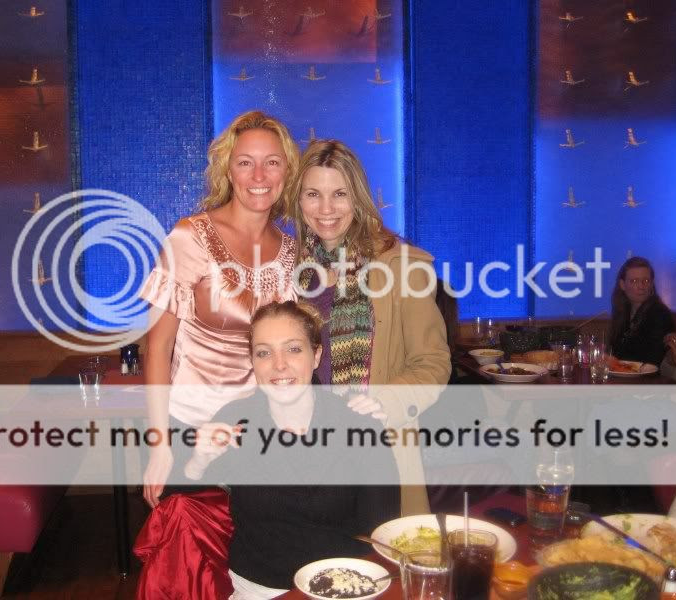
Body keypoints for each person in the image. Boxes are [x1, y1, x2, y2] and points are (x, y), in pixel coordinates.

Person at [140, 111, 300, 509]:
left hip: (256, 430)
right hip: (187, 425)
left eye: (272, 162)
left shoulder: (292, 251)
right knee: (191, 542)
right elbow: (156, 348)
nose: (259, 175)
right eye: (246, 162)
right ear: (228, 170)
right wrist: (160, 445)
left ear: (287, 172)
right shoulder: (190, 236)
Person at [185, 301, 400, 597]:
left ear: (316, 355)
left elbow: (381, 530)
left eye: (294, 349)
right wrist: (197, 462)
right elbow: (176, 502)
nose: (279, 364)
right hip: (258, 589)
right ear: (252, 361)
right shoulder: (235, 420)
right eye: (264, 353)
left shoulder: (358, 423)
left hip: (343, 586)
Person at [289, 139, 451, 515]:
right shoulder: (294, 267)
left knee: (378, 545)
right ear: (299, 200)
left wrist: (385, 401)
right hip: (309, 451)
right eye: (313, 194)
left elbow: (433, 363)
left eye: (339, 194)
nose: (326, 209)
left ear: (358, 198)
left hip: (378, 445)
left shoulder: (399, 265)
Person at [608, 256, 675, 365]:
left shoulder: (660, 315)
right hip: (623, 374)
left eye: (646, 280)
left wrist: (615, 363)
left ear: (652, 284)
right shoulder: (623, 311)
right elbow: (616, 351)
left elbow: (651, 361)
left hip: (649, 375)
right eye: (634, 281)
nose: (641, 286)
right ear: (622, 285)